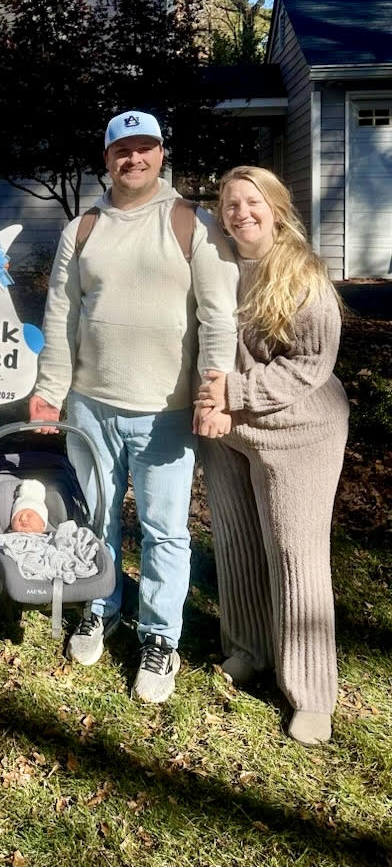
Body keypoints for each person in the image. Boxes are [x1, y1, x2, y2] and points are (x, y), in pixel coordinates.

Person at [29, 109, 238, 703]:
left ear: (161, 154)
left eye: (145, 148)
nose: (134, 159)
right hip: (90, 404)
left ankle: (160, 638)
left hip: (165, 411)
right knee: (94, 517)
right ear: (107, 159)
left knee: (164, 531)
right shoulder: (83, 229)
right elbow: (61, 315)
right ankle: (100, 606)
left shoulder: (191, 224)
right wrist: (49, 389)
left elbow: (218, 316)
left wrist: (214, 387)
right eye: (123, 150)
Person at [194, 166, 348, 746]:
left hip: (298, 430)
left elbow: (311, 364)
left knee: (293, 554)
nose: (241, 213)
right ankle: (249, 649)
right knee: (235, 544)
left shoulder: (301, 274)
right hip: (229, 430)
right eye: (230, 204)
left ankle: (310, 693)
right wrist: (210, 404)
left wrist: (232, 393)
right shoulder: (214, 264)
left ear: (276, 208)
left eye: (252, 202)